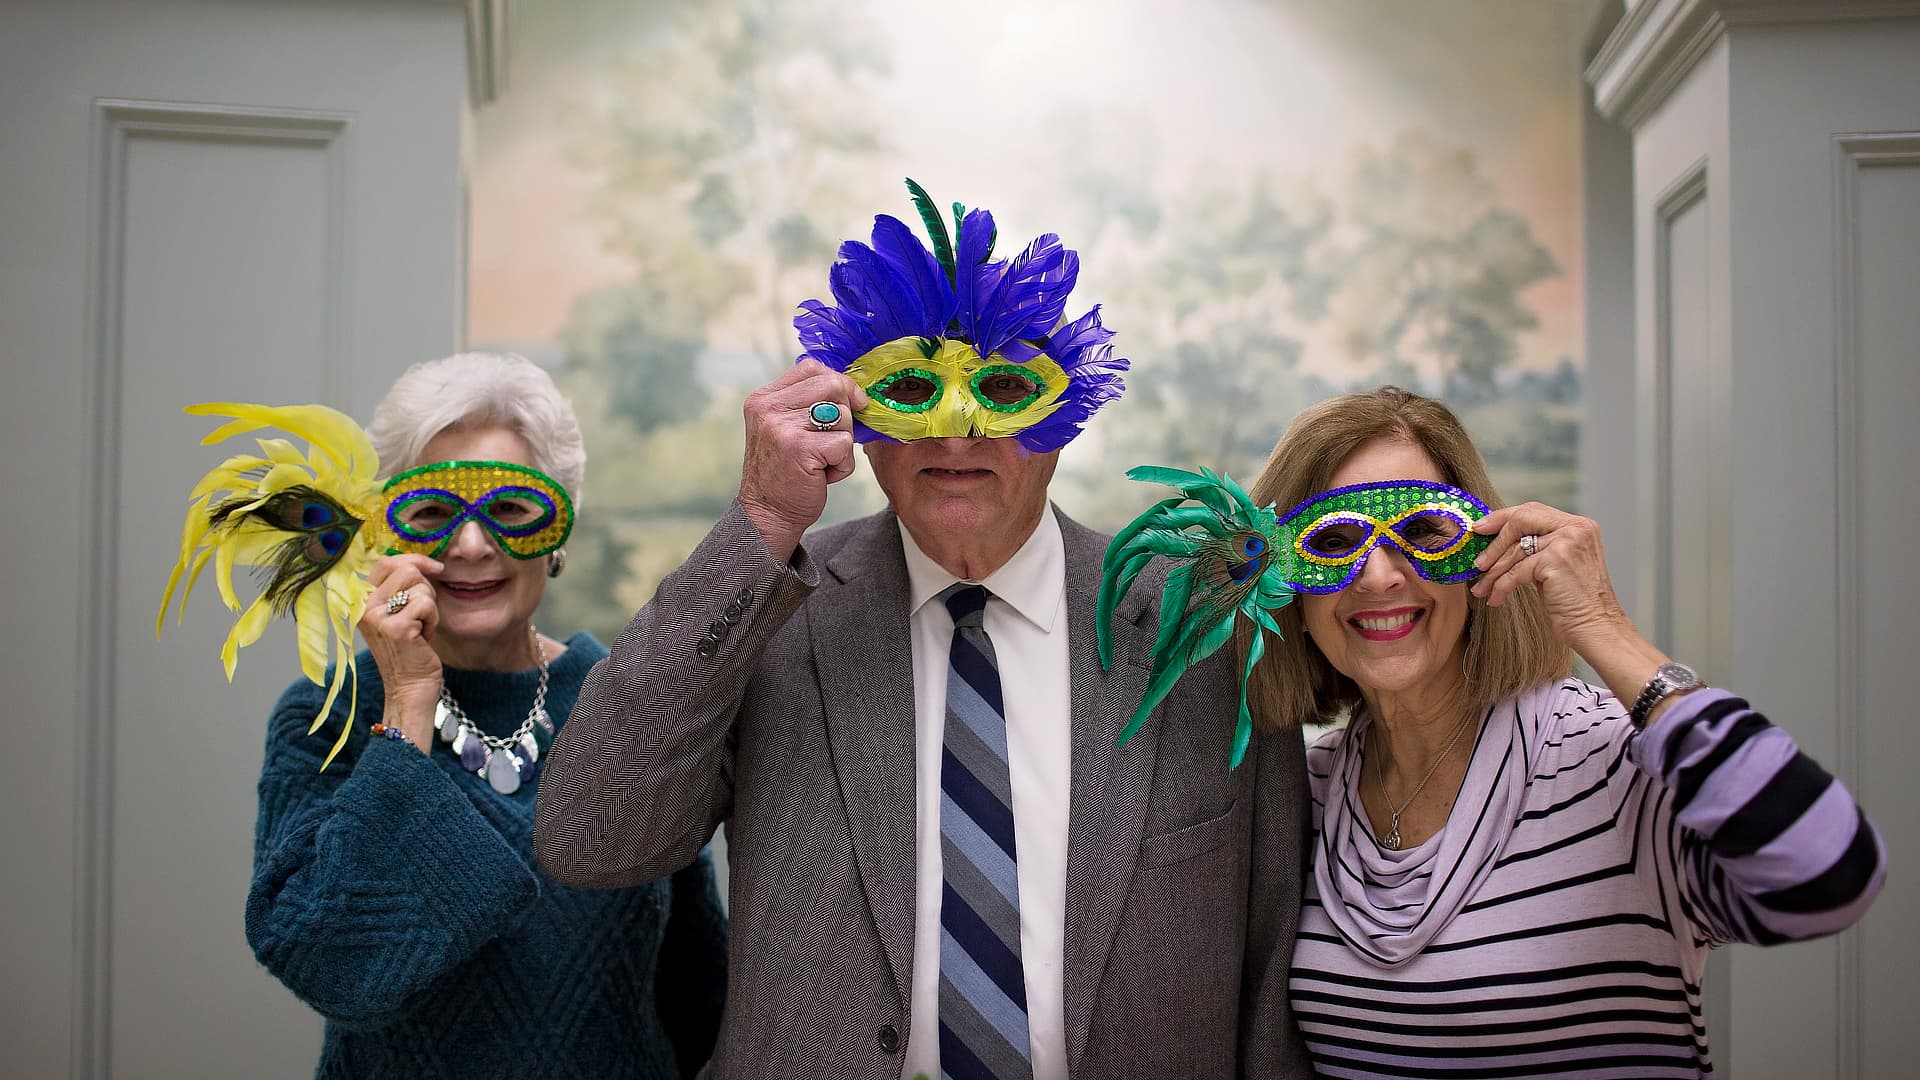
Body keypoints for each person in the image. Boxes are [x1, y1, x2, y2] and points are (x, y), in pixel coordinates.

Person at [535, 186, 1314, 1079]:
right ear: (857, 420)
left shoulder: (1200, 626)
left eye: (1007, 387)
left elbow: (1270, 964)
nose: (958, 426)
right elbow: (590, 837)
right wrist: (759, 522)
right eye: (909, 387)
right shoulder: (772, 611)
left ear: (1063, 422)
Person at [1238, 386, 1884, 1078]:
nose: (1379, 573)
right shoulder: (1307, 791)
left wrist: (1604, 627)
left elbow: (1830, 874)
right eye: (1331, 542)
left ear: (1487, 550)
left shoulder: (1613, 765)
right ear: (1285, 586)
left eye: (1423, 531)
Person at [238, 353, 727, 1079]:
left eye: (509, 511)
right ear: (386, 530)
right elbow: (333, 964)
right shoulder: (327, 715)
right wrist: (406, 702)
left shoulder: (623, 708)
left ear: (556, 530)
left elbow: (698, 993)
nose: (471, 545)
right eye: (433, 512)